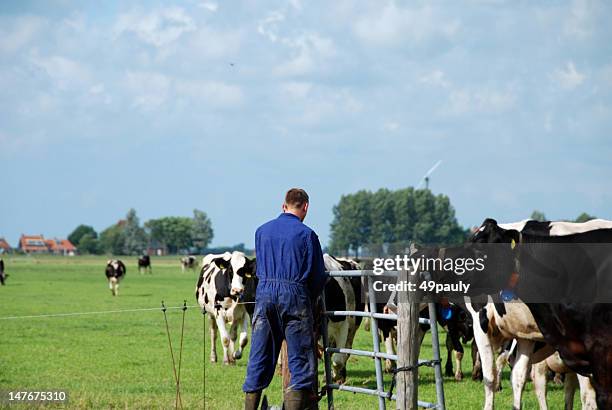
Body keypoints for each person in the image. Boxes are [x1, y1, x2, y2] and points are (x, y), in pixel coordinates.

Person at [243, 188, 327, 410]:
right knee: (300, 361)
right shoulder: (308, 235)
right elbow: (318, 276)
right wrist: (307, 298)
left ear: (284, 206)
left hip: (264, 296)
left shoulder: (261, 232)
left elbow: (259, 268)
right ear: (306, 207)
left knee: (259, 356)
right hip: (295, 297)